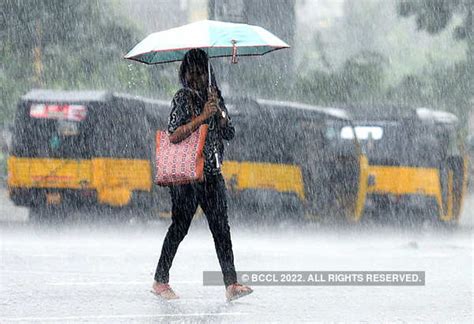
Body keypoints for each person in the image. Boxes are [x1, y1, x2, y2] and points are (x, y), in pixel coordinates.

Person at [152, 48, 253, 301]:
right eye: (191, 73)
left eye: (200, 73)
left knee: (221, 228)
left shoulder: (214, 97)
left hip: (212, 174)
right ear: (184, 74)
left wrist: (217, 111)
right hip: (187, 177)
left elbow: (229, 133)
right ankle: (160, 281)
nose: (195, 78)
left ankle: (231, 284)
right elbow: (174, 134)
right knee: (180, 227)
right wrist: (202, 117)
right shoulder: (182, 98)